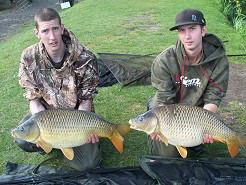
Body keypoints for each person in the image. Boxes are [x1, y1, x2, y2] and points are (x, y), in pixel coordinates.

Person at [16, 8, 100, 171]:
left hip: (76, 119)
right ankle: (54, 142)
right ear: (37, 33)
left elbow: (86, 100)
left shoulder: (86, 58)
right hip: (46, 116)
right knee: (22, 138)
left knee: (89, 164)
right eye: (45, 31)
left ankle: (63, 143)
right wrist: (41, 128)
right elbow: (33, 98)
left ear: (62, 28)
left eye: (55, 29)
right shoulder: (28, 57)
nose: (52, 37)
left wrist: (85, 128)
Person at [147, 8, 229, 157]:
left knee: (201, 133)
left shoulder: (218, 61)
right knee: (168, 155)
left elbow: (213, 97)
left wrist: (203, 125)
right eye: (182, 31)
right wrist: (161, 127)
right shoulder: (164, 61)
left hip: (198, 112)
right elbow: (165, 100)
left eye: (192, 29)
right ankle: (150, 113)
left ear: (203, 30)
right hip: (169, 110)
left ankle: (194, 140)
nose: (187, 36)